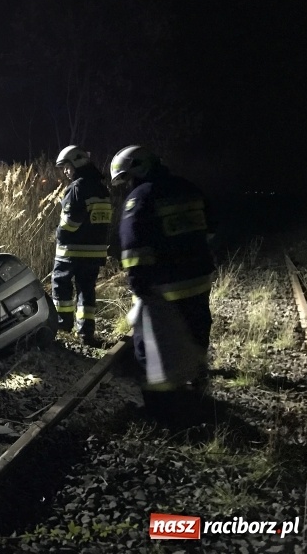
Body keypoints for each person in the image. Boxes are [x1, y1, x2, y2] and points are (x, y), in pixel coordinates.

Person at [110, 145, 216, 419]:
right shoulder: (189, 188)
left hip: (164, 288)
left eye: (127, 179)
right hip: (199, 281)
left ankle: (161, 414)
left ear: (137, 170)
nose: (127, 185)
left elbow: (133, 248)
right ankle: (195, 393)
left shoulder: (140, 198)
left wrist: (139, 286)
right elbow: (211, 226)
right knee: (195, 336)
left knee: (152, 351)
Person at [51, 145, 113, 347]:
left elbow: (70, 223)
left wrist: (58, 234)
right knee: (87, 289)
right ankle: (86, 332)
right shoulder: (102, 189)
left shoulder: (77, 188)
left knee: (61, 284)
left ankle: (63, 325)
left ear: (76, 164)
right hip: (94, 252)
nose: (65, 171)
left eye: (67, 167)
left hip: (71, 251)